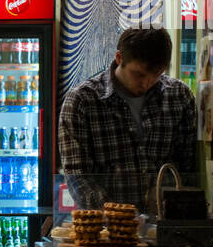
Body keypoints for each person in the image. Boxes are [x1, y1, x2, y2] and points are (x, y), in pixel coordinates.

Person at [58, 27, 196, 211]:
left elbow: (186, 165)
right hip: (106, 230)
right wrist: (118, 216)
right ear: (119, 58)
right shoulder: (83, 100)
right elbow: (77, 175)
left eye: (156, 75)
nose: (146, 83)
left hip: (164, 223)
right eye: (139, 74)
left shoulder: (179, 96)